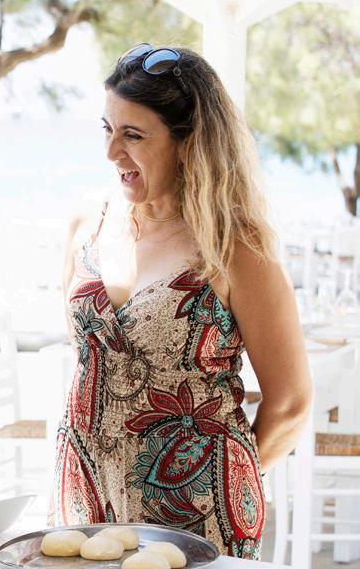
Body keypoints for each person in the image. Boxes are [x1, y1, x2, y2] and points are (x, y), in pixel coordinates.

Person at [53, 43, 313, 559]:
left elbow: (289, 404)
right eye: (107, 129)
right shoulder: (86, 225)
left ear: (188, 141)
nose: (111, 152)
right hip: (85, 502)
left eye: (133, 135)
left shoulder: (236, 248)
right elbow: (89, 359)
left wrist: (223, 478)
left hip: (197, 516)